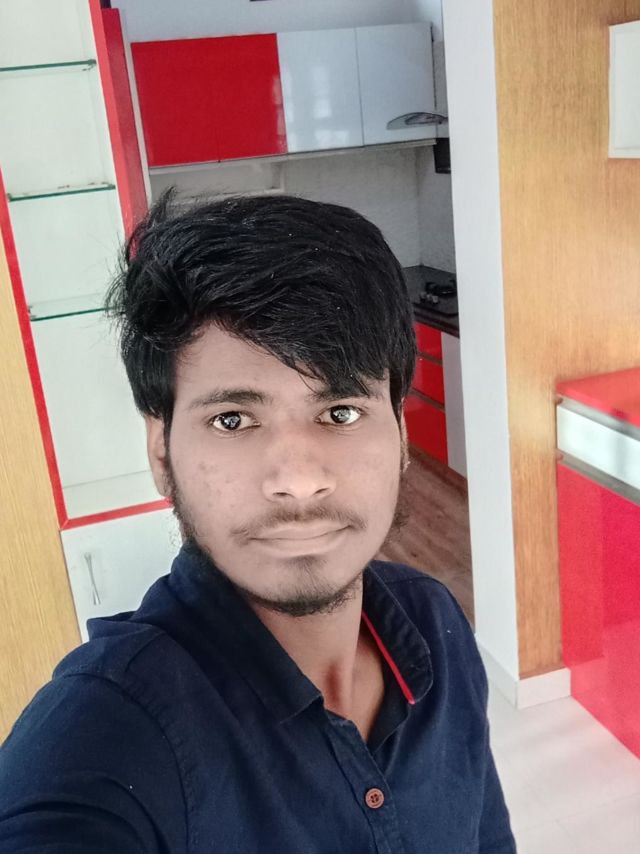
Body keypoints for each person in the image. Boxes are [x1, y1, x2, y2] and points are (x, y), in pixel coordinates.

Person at [0, 192, 516, 853]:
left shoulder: (436, 626)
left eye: (341, 413)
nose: (298, 479)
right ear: (161, 453)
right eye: (233, 420)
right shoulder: (108, 732)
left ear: (401, 437)